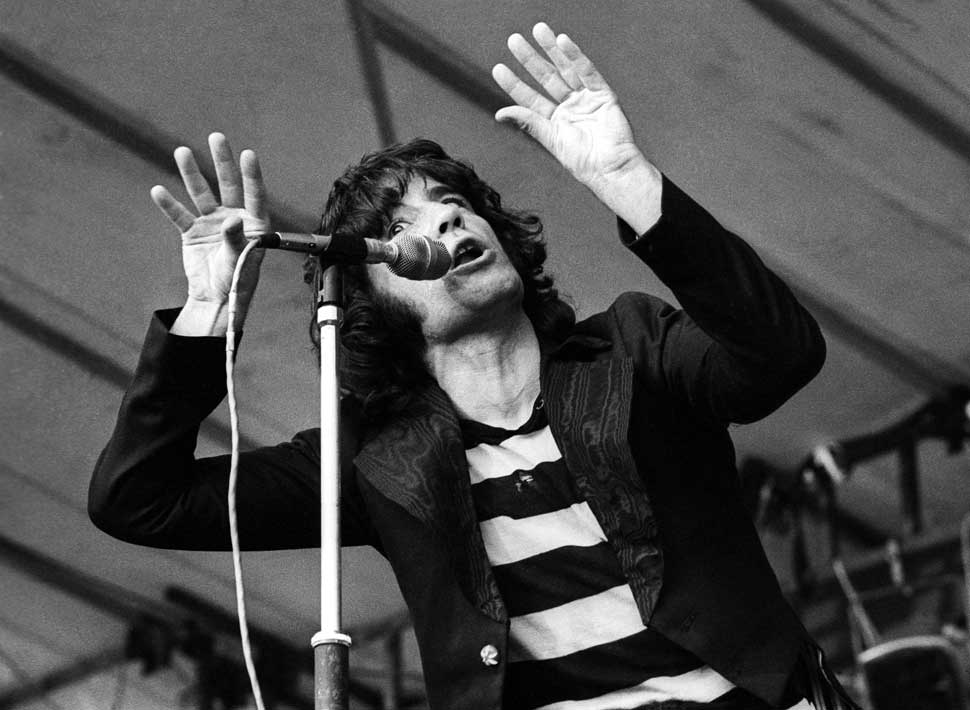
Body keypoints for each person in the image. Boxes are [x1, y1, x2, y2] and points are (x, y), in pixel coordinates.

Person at [90, 22, 857, 710]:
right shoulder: (375, 457)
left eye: (454, 199)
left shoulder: (633, 348)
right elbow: (138, 501)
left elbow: (782, 352)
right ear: (372, 300)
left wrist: (625, 178)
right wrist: (209, 314)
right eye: (401, 224)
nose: (448, 216)